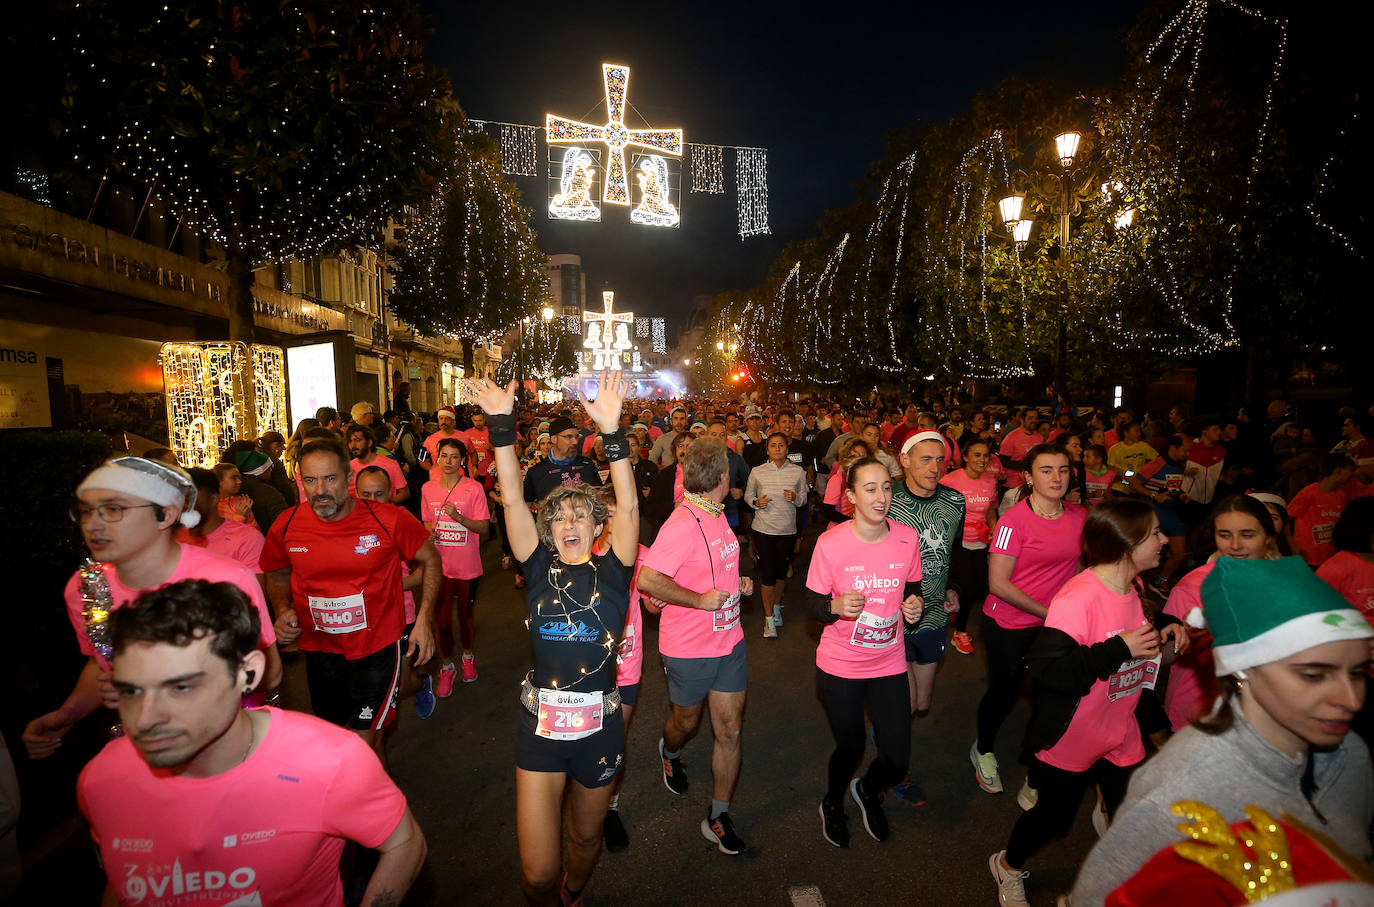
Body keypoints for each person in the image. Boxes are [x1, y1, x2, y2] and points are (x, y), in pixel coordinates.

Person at [81, 580, 426, 906]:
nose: (145, 719)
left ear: (247, 674)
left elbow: (405, 845)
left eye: (181, 688)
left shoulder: (330, 762)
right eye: (130, 691)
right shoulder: (101, 781)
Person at [1069, 556, 1374, 906]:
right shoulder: (1182, 796)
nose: (1350, 699)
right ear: (1245, 669)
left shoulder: (1352, 755)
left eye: (1357, 672)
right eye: (1314, 675)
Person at [467, 371, 638, 906]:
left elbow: (630, 507)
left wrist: (612, 434)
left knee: (585, 840)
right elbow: (514, 501)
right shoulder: (536, 565)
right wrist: (500, 424)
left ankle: (576, 892)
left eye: (581, 514)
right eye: (559, 514)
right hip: (539, 726)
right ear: (548, 528)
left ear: (597, 526)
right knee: (538, 873)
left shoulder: (615, 571)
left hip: (600, 728)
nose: (569, 521)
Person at [988, 499, 1184, 907]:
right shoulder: (1077, 598)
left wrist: (1166, 625)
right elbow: (1046, 671)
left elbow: (1136, 624)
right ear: (1128, 545)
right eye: (1154, 534)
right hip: (1074, 733)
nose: (1164, 541)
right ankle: (1007, 865)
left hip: (1121, 724)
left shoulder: (1133, 585)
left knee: (1130, 809)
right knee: (1053, 820)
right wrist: (1117, 648)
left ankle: (1111, 859)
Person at [23, 457, 282, 760]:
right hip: (146, 745)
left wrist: (152, 685)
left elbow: (269, 673)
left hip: (223, 746)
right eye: (86, 511)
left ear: (166, 515)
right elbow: (103, 663)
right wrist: (68, 713)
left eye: (113, 509)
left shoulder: (225, 579)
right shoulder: (86, 588)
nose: (93, 524)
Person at [262, 441, 440, 764]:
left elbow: (431, 559)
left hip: (377, 648)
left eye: (330, 479)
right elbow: (275, 572)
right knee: (340, 736)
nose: (321, 490)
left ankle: (375, 811)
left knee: (361, 746)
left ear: (348, 478)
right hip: (320, 652)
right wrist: (283, 609)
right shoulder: (286, 525)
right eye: (311, 480)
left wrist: (424, 619)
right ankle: (374, 798)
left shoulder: (387, 519)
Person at [638, 438, 755, 856]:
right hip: (688, 648)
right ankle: (669, 750)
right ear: (723, 478)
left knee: (730, 729)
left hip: (730, 641)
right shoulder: (683, 523)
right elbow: (648, 581)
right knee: (686, 724)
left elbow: (713, 566)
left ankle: (718, 815)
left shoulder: (715, 514)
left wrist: (736, 582)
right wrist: (700, 600)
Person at [807, 457, 925, 847]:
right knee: (852, 745)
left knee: (897, 757)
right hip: (841, 664)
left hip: (889, 661)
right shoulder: (830, 543)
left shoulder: (907, 538)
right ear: (851, 496)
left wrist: (913, 606)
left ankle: (869, 789)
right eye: (870, 489)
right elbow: (812, 606)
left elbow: (913, 589)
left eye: (887, 488)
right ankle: (833, 801)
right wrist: (834, 608)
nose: (881, 497)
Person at [972, 444, 1087, 803]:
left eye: (1063, 470)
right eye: (1047, 470)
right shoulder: (1013, 521)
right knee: (1004, 692)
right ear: (1028, 476)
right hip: (1008, 622)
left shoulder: (1081, 517)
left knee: (1052, 696)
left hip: (1055, 624)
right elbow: (998, 584)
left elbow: (1082, 569)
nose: (1056, 478)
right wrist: (1047, 612)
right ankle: (983, 748)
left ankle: (1039, 771)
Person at [1161, 495, 1282, 732]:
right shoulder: (1194, 585)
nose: (1235, 545)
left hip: (1267, 711)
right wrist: (1184, 635)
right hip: (1201, 713)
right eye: (1224, 535)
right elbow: (1166, 657)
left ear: (1268, 536)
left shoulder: (1285, 581)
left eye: (1247, 535)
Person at [591, 484, 648, 854]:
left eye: (622, 512)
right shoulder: (580, 553)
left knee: (613, 741)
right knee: (586, 741)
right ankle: (585, 803)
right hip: (586, 671)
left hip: (627, 666)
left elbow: (657, 602)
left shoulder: (642, 555)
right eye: (608, 514)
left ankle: (608, 808)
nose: (616, 521)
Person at [356, 467, 434, 720]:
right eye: (366, 494)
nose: (372, 501)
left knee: (401, 681)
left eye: (379, 494)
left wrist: (398, 585)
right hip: (363, 618)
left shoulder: (400, 521)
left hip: (401, 613)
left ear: (391, 493)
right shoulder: (347, 524)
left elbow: (429, 568)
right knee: (373, 683)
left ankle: (421, 684)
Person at [421, 438, 491, 691]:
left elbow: (484, 528)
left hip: (467, 567)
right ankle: (446, 666)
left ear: (462, 460)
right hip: (439, 567)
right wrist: (428, 533)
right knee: (441, 622)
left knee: (464, 618)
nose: (448, 461)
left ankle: (468, 657)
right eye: (444, 456)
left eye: (454, 457)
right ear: (437, 458)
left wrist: (458, 517)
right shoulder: (428, 489)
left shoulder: (473, 489)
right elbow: (427, 522)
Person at [746, 432, 809, 638]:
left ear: (787, 449)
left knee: (782, 573)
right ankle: (768, 620)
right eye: (773, 445)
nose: (778, 449)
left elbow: (803, 499)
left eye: (781, 445)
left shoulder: (798, 472)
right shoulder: (757, 471)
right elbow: (748, 496)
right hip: (763, 529)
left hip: (787, 530)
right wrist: (756, 502)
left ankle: (776, 605)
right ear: (768, 450)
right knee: (768, 574)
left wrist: (795, 498)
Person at [940, 436, 999, 656]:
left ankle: (956, 609)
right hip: (958, 542)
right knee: (968, 587)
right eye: (977, 455)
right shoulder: (951, 480)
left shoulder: (990, 480)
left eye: (985, 455)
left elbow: (991, 508)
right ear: (965, 457)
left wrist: (994, 525)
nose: (982, 460)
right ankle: (959, 632)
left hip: (981, 541)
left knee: (981, 587)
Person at [177, 468, 266, 574]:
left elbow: (253, 589)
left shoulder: (247, 539)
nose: (181, 505)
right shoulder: (171, 538)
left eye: (188, 499)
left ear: (213, 500)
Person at [1288, 453, 1356, 567]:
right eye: (1350, 470)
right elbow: (1286, 517)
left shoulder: (1342, 495)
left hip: (1330, 556)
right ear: (1338, 471)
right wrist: (1293, 545)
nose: (1352, 474)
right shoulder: (1309, 493)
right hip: (1307, 557)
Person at [347, 422, 409, 505]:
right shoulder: (348, 467)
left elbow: (405, 493)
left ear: (369, 442)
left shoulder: (390, 464)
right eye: (350, 441)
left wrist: (386, 504)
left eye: (357, 440)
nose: (353, 445)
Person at [1106, 422, 1157, 495]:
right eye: (1136, 431)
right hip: (1120, 489)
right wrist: (1124, 475)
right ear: (1126, 433)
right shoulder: (1115, 449)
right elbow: (1110, 467)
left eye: (1139, 431)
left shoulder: (1144, 446)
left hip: (1139, 488)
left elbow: (1156, 461)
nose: (1139, 433)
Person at [213, 462, 258, 530]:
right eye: (234, 478)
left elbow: (255, 530)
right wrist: (239, 517)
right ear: (219, 481)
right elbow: (220, 535)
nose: (239, 481)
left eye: (239, 478)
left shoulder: (242, 501)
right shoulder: (212, 506)